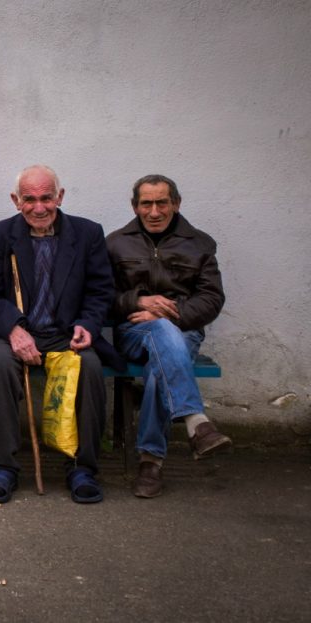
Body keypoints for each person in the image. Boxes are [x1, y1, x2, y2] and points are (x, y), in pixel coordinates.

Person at [0, 165, 123, 505]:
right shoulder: (0, 235)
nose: (39, 208)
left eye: (46, 198)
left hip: (67, 333)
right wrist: (13, 329)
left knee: (90, 369)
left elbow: (100, 292)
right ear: (16, 200)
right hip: (17, 332)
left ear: (60, 196)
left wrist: (88, 324)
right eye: (29, 199)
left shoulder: (87, 234)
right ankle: (2, 468)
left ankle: (82, 468)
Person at [106, 174, 231, 498]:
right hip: (133, 332)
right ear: (135, 206)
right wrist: (138, 301)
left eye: (162, 202)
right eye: (146, 203)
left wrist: (168, 312)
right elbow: (101, 299)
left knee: (159, 371)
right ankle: (195, 420)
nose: (155, 211)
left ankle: (150, 463)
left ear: (176, 203)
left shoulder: (200, 244)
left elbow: (211, 299)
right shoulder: (116, 243)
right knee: (161, 333)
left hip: (183, 331)